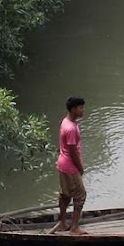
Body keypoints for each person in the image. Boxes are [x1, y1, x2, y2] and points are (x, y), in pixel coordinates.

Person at [53, 96, 87, 235]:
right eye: (80, 108)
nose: (82, 110)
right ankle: (74, 228)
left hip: (62, 163)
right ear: (73, 109)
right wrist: (80, 168)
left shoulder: (65, 122)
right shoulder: (71, 128)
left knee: (65, 195)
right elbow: (73, 152)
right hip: (70, 166)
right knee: (80, 196)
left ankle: (62, 223)